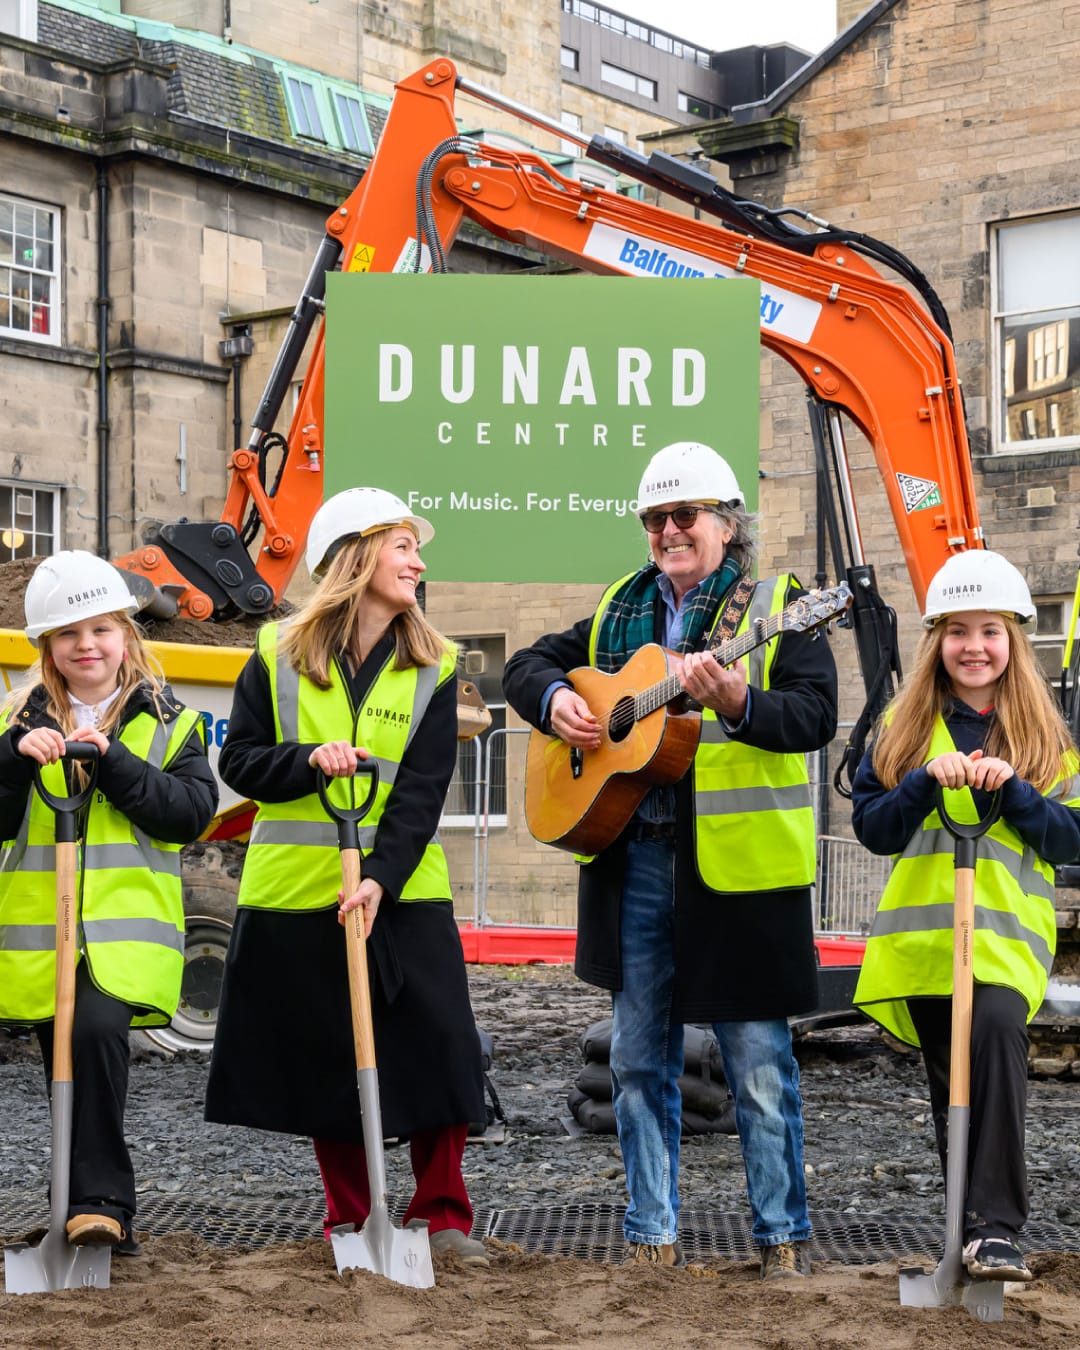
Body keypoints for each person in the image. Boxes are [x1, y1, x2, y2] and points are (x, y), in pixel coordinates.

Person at [503, 441, 838, 1278]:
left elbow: (815, 717)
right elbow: (525, 664)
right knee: (636, 1058)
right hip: (635, 862)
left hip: (739, 875)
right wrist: (559, 701)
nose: (667, 530)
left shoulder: (779, 607)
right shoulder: (622, 604)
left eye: (683, 515)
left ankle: (782, 1242)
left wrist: (742, 701)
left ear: (728, 522)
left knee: (758, 1064)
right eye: (655, 518)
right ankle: (651, 1236)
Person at [204, 486, 488, 1265]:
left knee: (441, 1045)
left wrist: (380, 881)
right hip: (297, 893)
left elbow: (423, 793)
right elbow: (242, 762)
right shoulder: (275, 654)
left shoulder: (437, 666)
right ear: (354, 560)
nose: (418, 562)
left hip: (402, 891)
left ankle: (443, 1216)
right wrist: (306, 761)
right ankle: (350, 1219)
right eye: (403, 547)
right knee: (328, 1055)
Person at [852, 549, 1080, 1282]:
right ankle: (967, 1238)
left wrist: (1016, 792)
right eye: (957, 630)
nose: (973, 646)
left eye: (989, 630)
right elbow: (875, 829)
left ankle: (999, 1228)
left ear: (1012, 640)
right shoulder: (903, 724)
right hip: (924, 946)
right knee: (953, 1081)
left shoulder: (1045, 738)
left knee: (995, 1035)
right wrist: (921, 782)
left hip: (1007, 944)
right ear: (935, 641)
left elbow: (1071, 838)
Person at [0, 550, 217, 1251]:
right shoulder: (16, 724)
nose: (85, 646)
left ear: (127, 634)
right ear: (48, 649)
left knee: (94, 1035)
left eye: (99, 630)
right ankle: (75, 1204)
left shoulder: (169, 723)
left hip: (124, 937)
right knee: (61, 1054)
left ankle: (102, 1200)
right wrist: (12, 762)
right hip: (42, 935)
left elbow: (187, 815)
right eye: (68, 635)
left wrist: (114, 762)